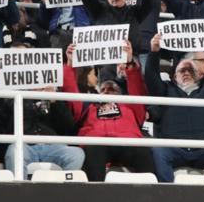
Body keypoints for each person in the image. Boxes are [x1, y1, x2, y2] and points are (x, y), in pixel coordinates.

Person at [145, 31, 204, 183]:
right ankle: (166, 193)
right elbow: (151, 77)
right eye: (182, 70)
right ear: (174, 74)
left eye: (191, 70)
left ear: (199, 74)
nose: (186, 73)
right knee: (158, 151)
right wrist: (154, 52)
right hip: (174, 149)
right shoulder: (165, 90)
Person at [64, 42, 155, 182]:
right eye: (104, 89)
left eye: (112, 89)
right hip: (97, 142)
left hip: (128, 141)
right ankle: (96, 195)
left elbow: (137, 90)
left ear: (120, 93)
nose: (107, 92)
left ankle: (151, 196)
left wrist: (130, 62)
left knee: (144, 151)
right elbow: (71, 96)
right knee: (93, 151)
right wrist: (70, 64)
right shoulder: (89, 106)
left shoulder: (130, 106)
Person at [3, 85, 84, 178]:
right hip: (25, 145)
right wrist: (31, 99)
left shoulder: (54, 93)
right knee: (13, 153)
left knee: (76, 154)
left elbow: (69, 126)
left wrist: (55, 102)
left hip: (53, 146)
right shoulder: (15, 92)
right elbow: (4, 119)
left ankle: (63, 191)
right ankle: (19, 191)